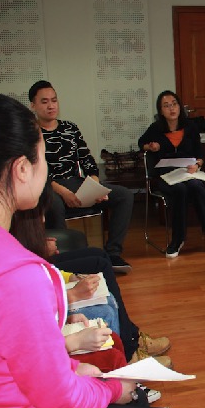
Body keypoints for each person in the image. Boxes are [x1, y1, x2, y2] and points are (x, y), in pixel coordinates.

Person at [0, 93, 199, 408]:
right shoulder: (15, 274)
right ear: (22, 169)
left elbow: (6, 354)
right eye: (42, 158)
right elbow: (57, 398)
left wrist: (75, 370)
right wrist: (111, 389)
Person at [10, 190, 172, 364]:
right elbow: (33, 298)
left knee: (99, 255)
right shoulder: (12, 261)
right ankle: (129, 349)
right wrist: (72, 294)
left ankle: (132, 336)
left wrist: (69, 276)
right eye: (40, 215)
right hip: (48, 283)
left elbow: (40, 273)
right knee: (100, 268)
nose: (43, 220)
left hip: (46, 271)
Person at [28, 80, 134, 274]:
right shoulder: (30, 133)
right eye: (44, 101)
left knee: (124, 195)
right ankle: (64, 262)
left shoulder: (70, 128)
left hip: (76, 183)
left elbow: (87, 160)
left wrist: (95, 185)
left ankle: (112, 253)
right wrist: (63, 192)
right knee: (54, 203)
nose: (51, 105)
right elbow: (35, 171)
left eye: (54, 100)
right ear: (33, 105)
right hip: (49, 187)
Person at [138, 90, 205, 258]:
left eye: (174, 104)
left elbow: (200, 153)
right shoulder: (156, 128)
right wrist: (151, 147)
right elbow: (141, 143)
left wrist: (197, 165)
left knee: (196, 186)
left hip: (188, 171)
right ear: (161, 111)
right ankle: (178, 238)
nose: (171, 108)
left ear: (179, 107)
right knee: (180, 190)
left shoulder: (190, 127)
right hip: (166, 174)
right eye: (166, 106)